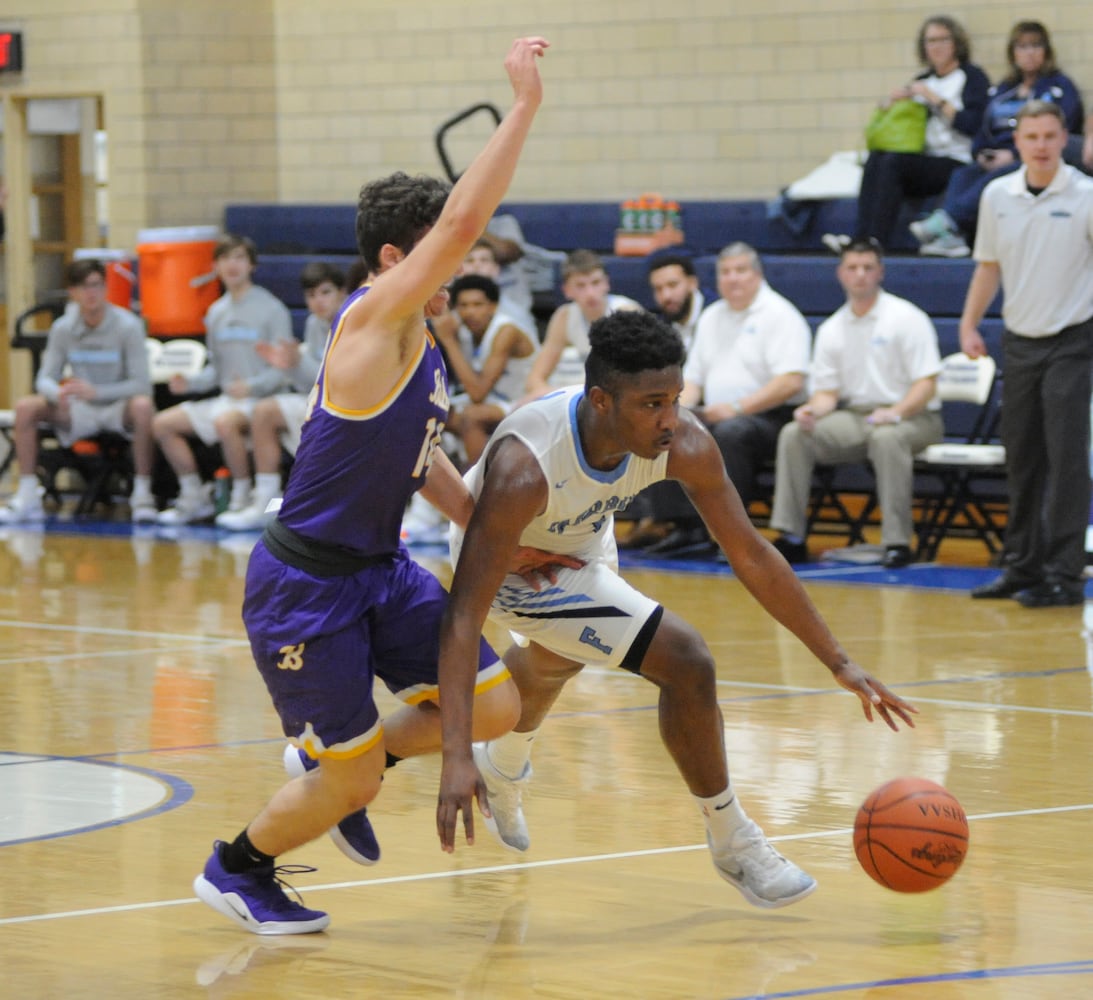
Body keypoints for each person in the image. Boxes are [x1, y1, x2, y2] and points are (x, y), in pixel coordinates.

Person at [192, 36, 562, 937]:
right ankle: (237, 869)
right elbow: (465, 226)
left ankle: (326, 763)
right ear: (399, 256)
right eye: (437, 251)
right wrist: (521, 109)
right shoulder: (372, 318)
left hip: (378, 568)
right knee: (349, 778)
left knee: (498, 705)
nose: (458, 265)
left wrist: (495, 536)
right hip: (306, 584)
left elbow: (422, 456)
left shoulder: (416, 343)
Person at [434, 310, 917, 911]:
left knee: (559, 658)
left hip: (581, 539)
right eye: (652, 404)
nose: (670, 420)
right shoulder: (524, 468)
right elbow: (461, 618)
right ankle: (733, 838)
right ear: (602, 401)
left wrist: (839, 662)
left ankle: (503, 765)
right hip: (513, 565)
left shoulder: (682, 440)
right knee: (685, 660)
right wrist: (454, 756)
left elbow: (751, 552)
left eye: (676, 399)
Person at [961, 101, 1093, 607]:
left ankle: (1065, 573)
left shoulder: (1083, 194)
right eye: (1031, 136)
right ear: (1018, 142)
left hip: (1072, 340)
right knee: (1022, 457)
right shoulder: (998, 195)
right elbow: (987, 266)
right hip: (1019, 341)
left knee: (1065, 460)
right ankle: (1022, 567)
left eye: (1049, 136)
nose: (1040, 145)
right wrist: (970, 323)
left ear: (1065, 139)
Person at [768, 239, 943, 569]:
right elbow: (827, 394)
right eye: (852, 268)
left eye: (867, 268)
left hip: (914, 416)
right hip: (857, 416)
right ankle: (790, 537)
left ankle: (897, 542)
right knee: (794, 434)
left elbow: (927, 383)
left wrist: (896, 413)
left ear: (880, 273)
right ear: (840, 274)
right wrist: (811, 410)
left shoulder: (906, 317)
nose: (860, 275)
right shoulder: (833, 328)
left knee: (887, 437)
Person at [634, 243, 812, 556]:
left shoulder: (780, 315)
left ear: (757, 275)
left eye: (740, 270)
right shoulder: (713, 316)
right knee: (667, 426)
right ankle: (685, 528)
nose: (733, 279)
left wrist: (737, 408)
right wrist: (678, 409)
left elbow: (790, 381)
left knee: (733, 433)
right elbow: (694, 378)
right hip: (718, 414)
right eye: (725, 272)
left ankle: (729, 533)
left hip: (770, 417)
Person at [0, 259, 156, 524]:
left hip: (116, 406)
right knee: (27, 407)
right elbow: (45, 378)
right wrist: (55, 393)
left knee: (143, 406)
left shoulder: (127, 325)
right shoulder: (63, 328)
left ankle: (142, 494)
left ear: (105, 288)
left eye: (95, 285)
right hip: (77, 409)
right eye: (83, 287)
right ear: (72, 292)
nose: (90, 293)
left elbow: (142, 384)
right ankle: (27, 494)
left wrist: (97, 392)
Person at [910, 20, 1085, 258]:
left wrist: (1013, 154)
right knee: (964, 173)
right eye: (1022, 47)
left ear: (1046, 51)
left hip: (1033, 157)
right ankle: (952, 236)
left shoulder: (1060, 87)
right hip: (997, 153)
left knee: (1003, 174)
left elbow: (1063, 128)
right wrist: (981, 153)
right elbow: (984, 126)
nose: (1029, 53)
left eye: (1035, 46)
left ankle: (948, 221)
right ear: (1013, 53)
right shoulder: (1003, 90)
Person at [152, 234, 292, 525]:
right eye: (226, 258)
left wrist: (251, 387)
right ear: (216, 266)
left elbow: (283, 370)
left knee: (225, 422)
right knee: (163, 424)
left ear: (252, 265)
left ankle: (242, 495)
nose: (232, 265)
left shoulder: (272, 308)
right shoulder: (216, 312)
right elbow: (216, 370)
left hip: (261, 400)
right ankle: (193, 496)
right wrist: (189, 384)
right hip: (226, 399)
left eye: (240, 257)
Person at [824, 16, 989, 253]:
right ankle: (860, 240)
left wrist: (934, 98)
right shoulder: (921, 80)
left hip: (957, 161)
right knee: (877, 158)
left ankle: (876, 242)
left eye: (943, 39)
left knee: (893, 163)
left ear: (956, 43)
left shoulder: (972, 77)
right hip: (923, 159)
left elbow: (972, 124)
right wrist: (891, 104)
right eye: (931, 41)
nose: (937, 46)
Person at [215, 261, 347, 531]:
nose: (318, 301)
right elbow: (310, 384)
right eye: (311, 296)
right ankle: (266, 500)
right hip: (322, 402)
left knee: (268, 411)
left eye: (325, 292)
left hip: (350, 405)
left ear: (343, 292)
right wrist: (290, 366)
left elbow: (336, 383)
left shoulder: (350, 322)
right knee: (265, 411)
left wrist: (298, 363)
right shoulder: (313, 323)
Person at [432, 274, 539, 466]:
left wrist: (449, 341)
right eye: (463, 306)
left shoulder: (506, 331)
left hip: (524, 400)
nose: (470, 312)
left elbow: (477, 393)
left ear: (493, 307)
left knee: (472, 417)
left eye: (477, 304)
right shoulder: (464, 332)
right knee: (432, 410)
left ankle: (479, 484)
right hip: (494, 400)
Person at [520, 249, 641, 402]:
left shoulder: (626, 313)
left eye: (595, 283)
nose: (590, 293)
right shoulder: (564, 317)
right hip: (583, 395)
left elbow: (635, 379)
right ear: (567, 291)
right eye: (581, 286)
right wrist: (553, 394)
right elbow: (534, 380)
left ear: (606, 283)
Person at [460, 237, 537, 337]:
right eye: (470, 260)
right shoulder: (449, 312)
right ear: (458, 270)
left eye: (484, 260)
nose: (477, 265)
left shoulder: (512, 314)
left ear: (496, 269)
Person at [647, 251, 705, 353]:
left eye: (673, 285)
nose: (666, 296)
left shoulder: (716, 314)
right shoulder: (659, 328)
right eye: (658, 289)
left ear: (692, 283)